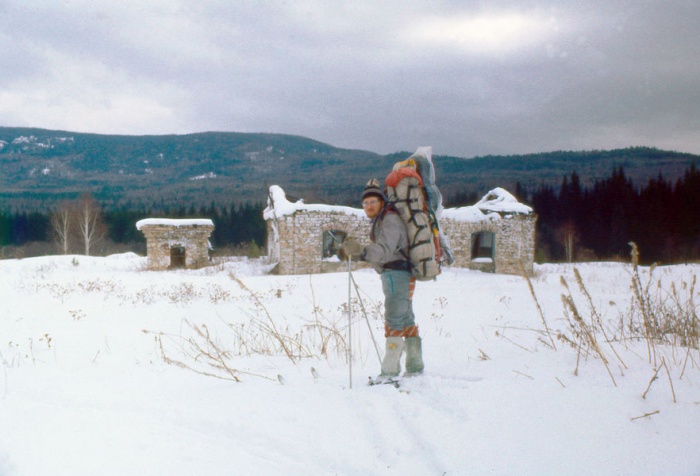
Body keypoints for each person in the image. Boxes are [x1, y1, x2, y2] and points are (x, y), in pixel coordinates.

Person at [339, 178, 424, 379]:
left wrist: (360, 252)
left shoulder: (391, 220)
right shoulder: (383, 219)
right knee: (405, 319)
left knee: (393, 320)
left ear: (382, 202)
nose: (368, 206)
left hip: (397, 274)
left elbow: (385, 251)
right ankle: (415, 366)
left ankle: (390, 372)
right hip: (396, 274)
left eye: (372, 202)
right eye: (365, 203)